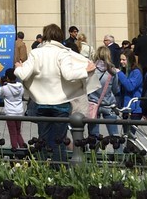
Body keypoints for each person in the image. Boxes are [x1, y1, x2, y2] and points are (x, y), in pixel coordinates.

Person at [15, 22, 94, 162]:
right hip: (61, 103)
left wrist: (18, 67)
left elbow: (22, 75)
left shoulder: (35, 53)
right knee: (59, 141)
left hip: (41, 103)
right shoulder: (62, 53)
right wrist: (85, 70)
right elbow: (68, 75)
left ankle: (42, 168)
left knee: (42, 140)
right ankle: (59, 168)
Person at [86, 44, 116, 138]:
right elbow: (115, 89)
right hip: (108, 104)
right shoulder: (112, 71)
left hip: (93, 103)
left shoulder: (91, 69)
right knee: (114, 135)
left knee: (93, 136)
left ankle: (95, 147)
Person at [0, 68, 27, 151]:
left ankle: (15, 150)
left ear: (7, 77)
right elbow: (22, 94)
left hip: (10, 113)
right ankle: (23, 148)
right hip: (19, 112)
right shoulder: (20, 86)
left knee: (13, 133)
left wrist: (1, 84)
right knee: (18, 132)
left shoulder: (4, 88)